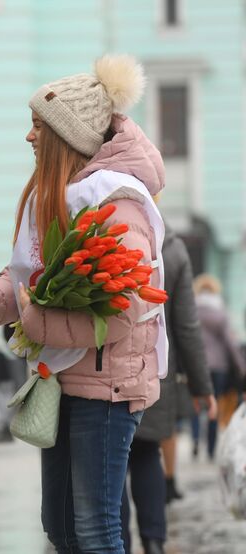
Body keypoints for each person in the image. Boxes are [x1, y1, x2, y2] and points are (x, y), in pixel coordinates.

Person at [0, 54, 166, 553]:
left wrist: (32, 317)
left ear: (66, 136)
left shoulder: (117, 203)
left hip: (107, 389)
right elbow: (25, 278)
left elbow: (120, 312)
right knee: (61, 528)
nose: (29, 138)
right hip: (62, 381)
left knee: (96, 529)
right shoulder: (59, 197)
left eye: (37, 128)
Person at [120, 224, 215, 554]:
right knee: (147, 455)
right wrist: (202, 387)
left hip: (107, 374)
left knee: (111, 465)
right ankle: (154, 542)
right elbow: (186, 327)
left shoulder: (102, 226)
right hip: (156, 372)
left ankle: (121, 545)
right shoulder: (172, 248)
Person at [190, 273, 246, 460]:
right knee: (214, 404)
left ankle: (196, 438)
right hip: (219, 367)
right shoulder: (220, 312)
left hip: (197, 364)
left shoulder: (192, 309)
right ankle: (211, 449)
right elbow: (230, 342)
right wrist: (241, 366)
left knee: (196, 403)